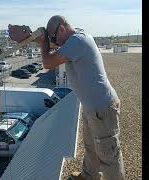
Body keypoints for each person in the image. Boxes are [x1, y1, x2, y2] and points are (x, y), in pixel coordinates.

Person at [8, 15, 125, 180]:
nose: (57, 44)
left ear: (62, 29)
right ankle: (89, 175)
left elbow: (48, 62)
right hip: (93, 106)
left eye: (55, 38)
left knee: (108, 154)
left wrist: (43, 42)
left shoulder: (77, 41)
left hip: (102, 108)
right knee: (91, 147)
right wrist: (30, 37)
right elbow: (52, 44)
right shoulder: (73, 39)